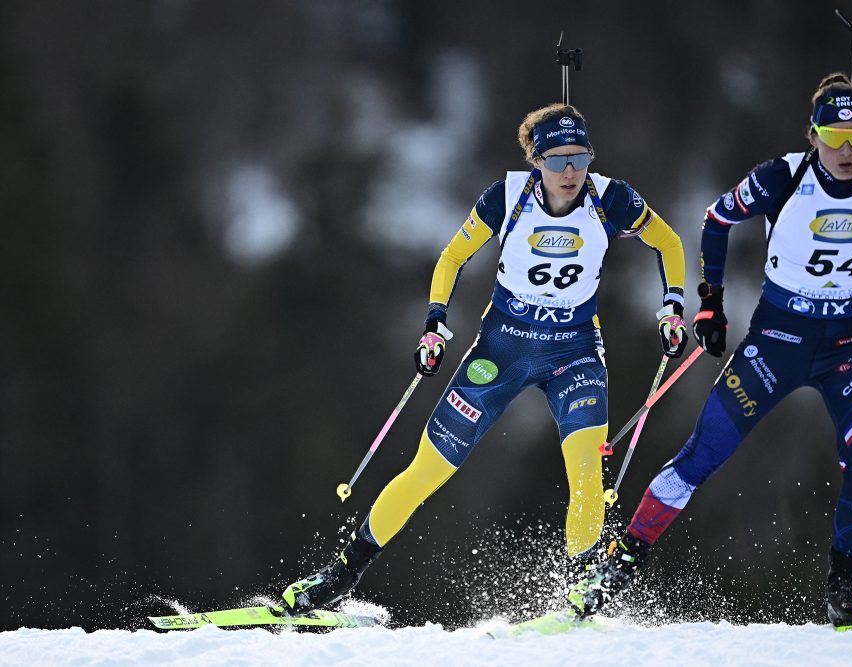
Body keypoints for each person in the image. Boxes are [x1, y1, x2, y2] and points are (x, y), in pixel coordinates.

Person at [567, 72, 852, 627]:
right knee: (703, 452)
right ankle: (616, 566)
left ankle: (844, 584)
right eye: (835, 137)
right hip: (778, 340)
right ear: (813, 136)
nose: (848, 150)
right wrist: (710, 303)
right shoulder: (783, 176)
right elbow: (716, 219)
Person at [273, 103, 689, 615]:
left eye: (579, 157)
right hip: (502, 347)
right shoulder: (506, 198)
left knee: (586, 473)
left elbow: (667, 242)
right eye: (556, 158)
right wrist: (434, 324)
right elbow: (451, 257)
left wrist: (672, 308)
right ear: (535, 160)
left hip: (574, 352)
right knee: (427, 469)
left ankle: (581, 593)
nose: (569, 171)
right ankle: (340, 575)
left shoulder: (612, 199)